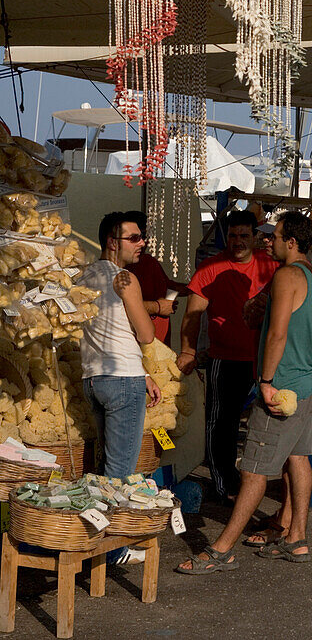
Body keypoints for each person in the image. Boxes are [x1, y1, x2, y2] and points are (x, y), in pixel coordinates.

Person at [178, 211, 312, 574]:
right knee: (298, 459)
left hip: (285, 387)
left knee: (254, 471)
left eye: (274, 236)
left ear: (291, 242)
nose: (267, 241)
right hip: (310, 384)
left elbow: (276, 334)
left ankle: (222, 549)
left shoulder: (286, 276)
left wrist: (265, 380)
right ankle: (297, 538)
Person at [177, 209, 279, 502]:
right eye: (232, 236)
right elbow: (192, 316)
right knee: (222, 424)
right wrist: (188, 351)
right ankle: (224, 485)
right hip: (225, 359)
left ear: (255, 237)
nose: (238, 241)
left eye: (244, 236)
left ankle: (256, 483)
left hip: (263, 359)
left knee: (266, 423)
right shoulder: (210, 268)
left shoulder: (270, 265)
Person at [78, 214, 163, 565]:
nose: (142, 242)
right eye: (134, 237)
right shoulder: (125, 279)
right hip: (122, 382)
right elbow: (145, 335)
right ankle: (112, 550)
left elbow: (110, 332)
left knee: (102, 467)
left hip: (93, 379)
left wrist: (142, 373)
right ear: (113, 242)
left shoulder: (83, 275)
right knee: (119, 473)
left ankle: (93, 538)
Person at [122, 210, 185, 344]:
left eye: (145, 236)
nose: (143, 242)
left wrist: (199, 286)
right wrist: (157, 307)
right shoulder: (117, 271)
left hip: (161, 343)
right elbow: (117, 307)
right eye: (136, 238)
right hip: (136, 345)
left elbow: (170, 287)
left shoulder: (149, 262)